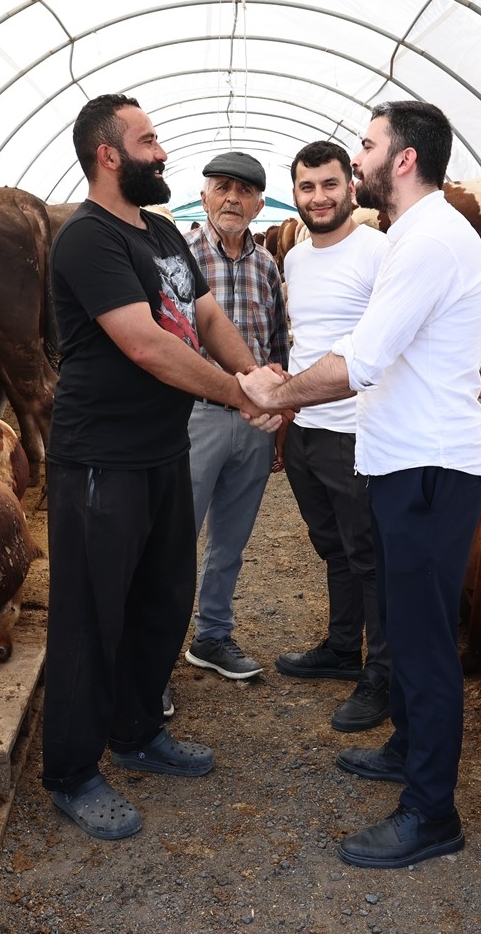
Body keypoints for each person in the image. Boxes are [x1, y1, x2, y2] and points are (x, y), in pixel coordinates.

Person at [239, 101, 481, 869]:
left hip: (428, 468)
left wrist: (275, 396)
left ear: (404, 159)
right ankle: (407, 748)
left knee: (422, 646)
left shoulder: (428, 241)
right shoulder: (417, 235)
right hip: (401, 460)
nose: (359, 159)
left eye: (367, 145)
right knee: (405, 623)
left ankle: (430, 812)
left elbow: (361, 359)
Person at [42, 94, 280, 841]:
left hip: (159, 452)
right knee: (89, 615)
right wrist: (238, 394)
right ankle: (73, 772)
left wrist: (256, 374)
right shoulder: (87, 239)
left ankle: (138, 731)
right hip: (98, 460)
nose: (163, 153)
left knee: (161, 597)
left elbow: (206, 319)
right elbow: (145, 343)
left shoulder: (164, 231)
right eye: (149, 141)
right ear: (109, 154)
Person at [274, 140, 393, 733]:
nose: (318, 197)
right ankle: (344, 648)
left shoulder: (379, 252)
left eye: (328, 184)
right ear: (293, 193)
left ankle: (382, 674)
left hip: (357, 433)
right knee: (334, 548)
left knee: (370, 557)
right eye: (306, 187)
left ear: (351, 185)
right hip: (308, 429)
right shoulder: (294, 257)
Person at [179, 152, 290, 683]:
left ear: (259, 204)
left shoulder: (267, 265)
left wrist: (279, 422)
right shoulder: (179, 258)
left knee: (230, 541)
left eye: (244, 191)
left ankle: (212, 635)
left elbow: (275, 347)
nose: (232, 198)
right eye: (221, 187)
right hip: (194, 416)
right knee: (175, 539)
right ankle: (154, 661)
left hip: (254, 422)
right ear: (202, 197)